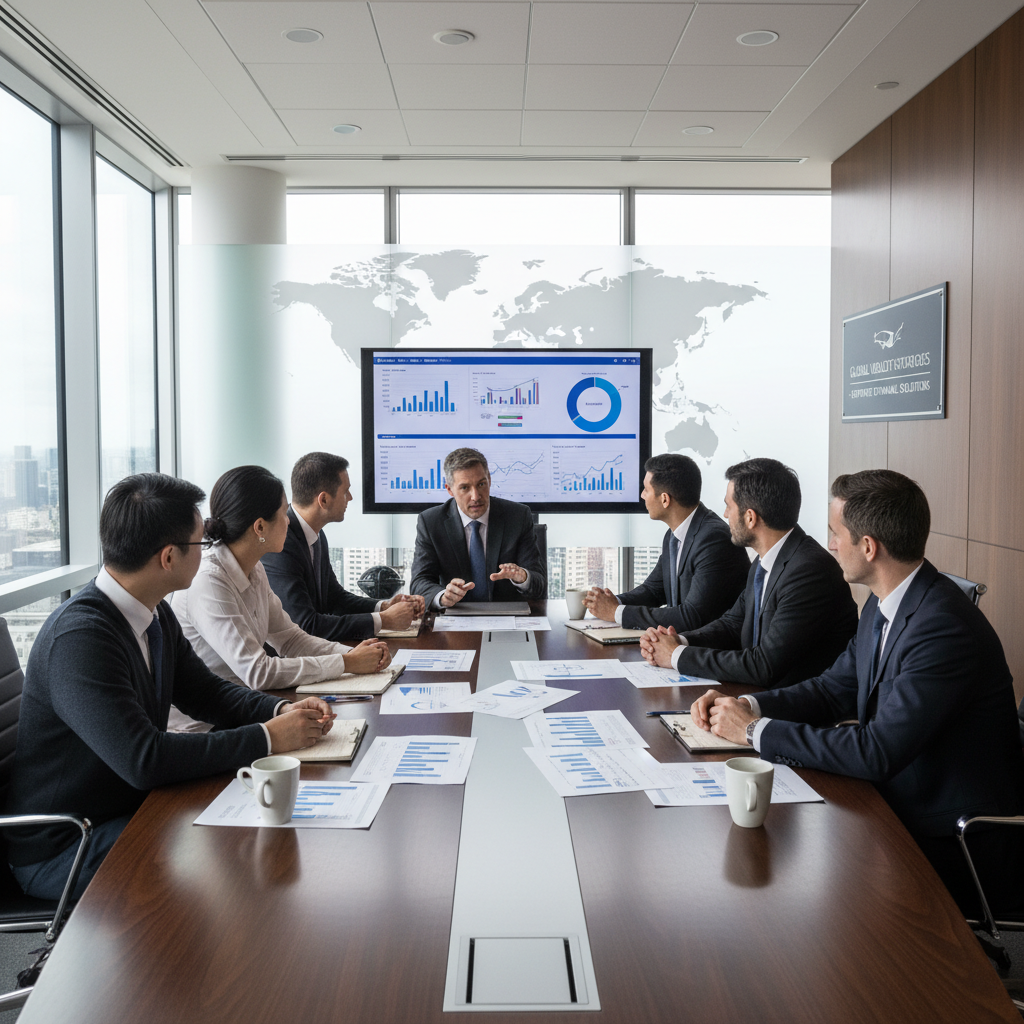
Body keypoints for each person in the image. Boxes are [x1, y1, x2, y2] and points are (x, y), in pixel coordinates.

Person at [689, 469, 1024, 913]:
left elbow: (877, 751)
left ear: (868, 547)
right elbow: (832, 690)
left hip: (948, 835)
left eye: (835, 534)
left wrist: (753, 733)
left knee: (789, 895)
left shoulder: (943, 628)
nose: (829, 545)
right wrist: (747, 705)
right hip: (894, 801)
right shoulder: (886, 604)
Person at [3, 473, 336, 899]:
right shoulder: (81, 638)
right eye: (200, 543)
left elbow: (206, 693)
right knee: (232, 862)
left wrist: (276, 712)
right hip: (68, 844)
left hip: (128, 809)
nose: (208, 550)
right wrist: (266, 739)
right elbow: (144, 759)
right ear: (167, 558)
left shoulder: (153, 613)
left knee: (248, 840)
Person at [169, 466, 390, 732]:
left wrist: (352, 654)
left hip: (249, 712)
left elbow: (290, 639)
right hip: (207, 730)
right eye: (283, 513)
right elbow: (257, 672)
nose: (289, 520)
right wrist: (347, 662)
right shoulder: (209, 580)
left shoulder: (254, 567)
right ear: (260, 526)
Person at [640, 457, 857, 688]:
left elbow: (763, 665)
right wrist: (679, 640)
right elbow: (732, 623)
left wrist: (675, 656)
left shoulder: (810, 571)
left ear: (750, 517)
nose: (724, 515)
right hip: (759, 696)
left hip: (794, 709)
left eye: (729, 506)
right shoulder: (766, 560)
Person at [262, 452, 425, 642]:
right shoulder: (281, 544)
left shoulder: (316, 534)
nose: (350, 497)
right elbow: (306, 625)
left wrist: (384, 607)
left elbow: (335, 598)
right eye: (345, 491)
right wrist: (383, 620)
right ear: (323, 500)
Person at [583, 453, 749, 631]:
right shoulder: (674, 535)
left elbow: (692, 616)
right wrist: (614, 602)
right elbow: (654, 590)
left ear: (664, 499)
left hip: (709, 650)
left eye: (646, 490)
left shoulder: (713, 539)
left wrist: (616, 613)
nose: (642, 495)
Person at [409, 447, 546, 608]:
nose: (476, 496)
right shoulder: (431, 522)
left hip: (507, 619)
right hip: (455, 619)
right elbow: (419, 582)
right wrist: (443, 597)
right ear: (449, 489)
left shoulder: (518, 516)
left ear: (489, 479)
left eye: (481, 484)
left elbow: (539, 584)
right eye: (465, 488)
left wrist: (523, 577)